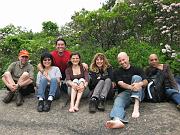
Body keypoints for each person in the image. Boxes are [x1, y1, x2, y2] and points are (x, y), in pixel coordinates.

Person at [105, 52, 148, 129]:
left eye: (123, 59)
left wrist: (140, 84)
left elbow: (146, 81)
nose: (122, 62)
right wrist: (131, 87)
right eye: (120, 61)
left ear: (128, 58)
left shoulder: (137, 69)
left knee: (136, 77)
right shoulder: (117, 71)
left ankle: (136, 106)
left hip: (139, 92)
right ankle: (117, 120)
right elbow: (120, 83)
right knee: (117, 101)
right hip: (126, 93)